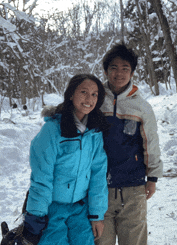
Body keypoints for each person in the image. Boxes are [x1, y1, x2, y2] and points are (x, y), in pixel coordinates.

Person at [4, 74, 109, 245]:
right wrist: (36, 217)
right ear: (71, 94)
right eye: (83, 92)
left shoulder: (94, 132)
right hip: (51, 210)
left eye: (94, 94)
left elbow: (98, 174)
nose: (89, 98)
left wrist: (97, 215)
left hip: (80, 210)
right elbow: (42, 178)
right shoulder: (52, 130)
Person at [95, 44, 163, 245]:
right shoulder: (95, 100)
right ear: (106, 70)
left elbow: (151, 142)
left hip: (133, 188)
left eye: (125, 68)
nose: (119, 73)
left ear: (132, 72)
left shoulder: (141, 106)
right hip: (99, 188)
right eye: (114, 67)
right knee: (100, 241)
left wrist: (152, 177)